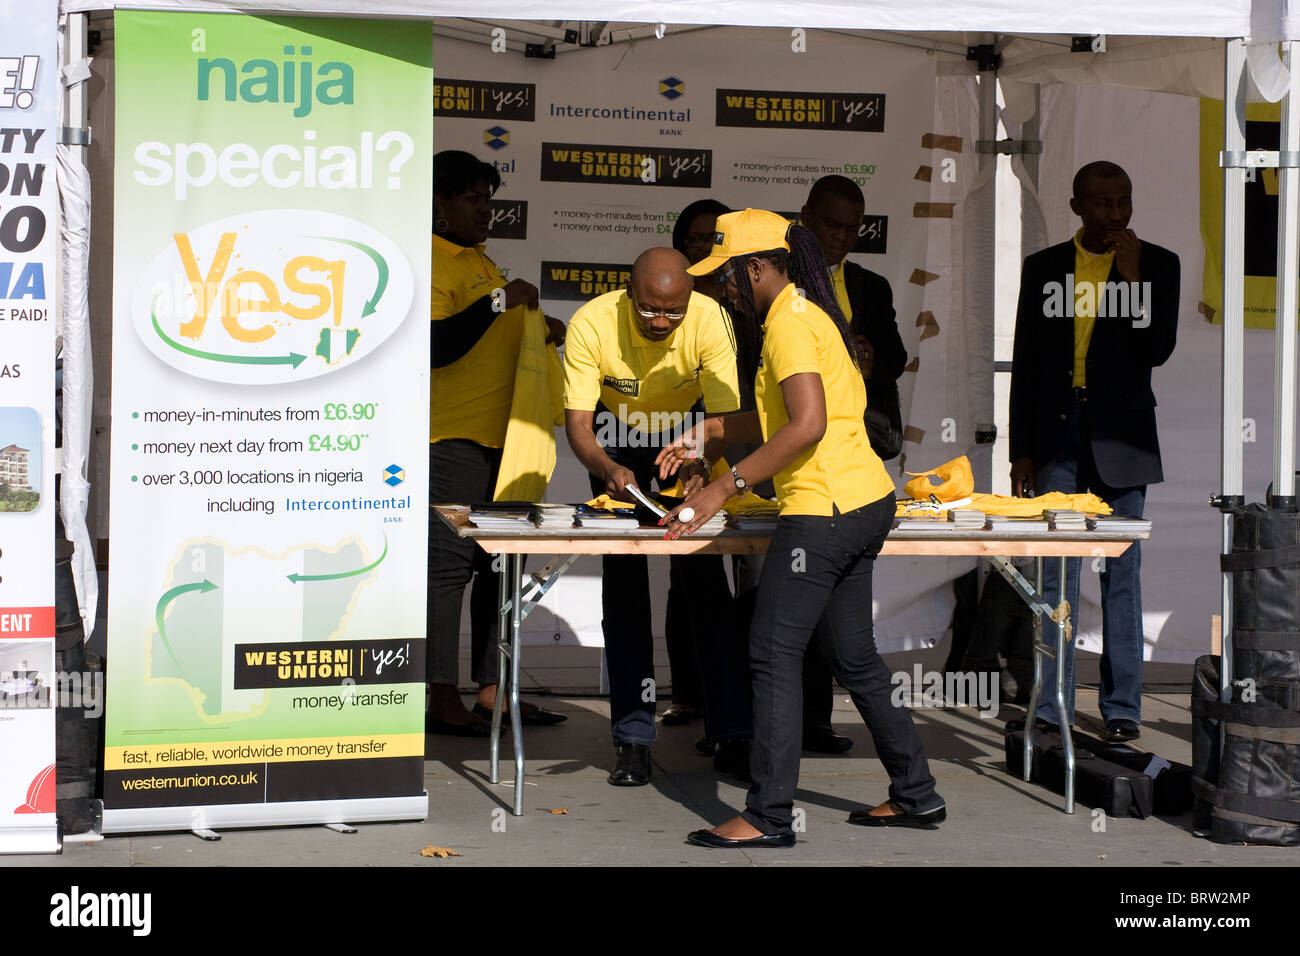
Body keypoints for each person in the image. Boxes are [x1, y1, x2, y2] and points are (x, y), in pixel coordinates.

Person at [657, 209, 945, 847]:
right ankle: (917, 795)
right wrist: (704, 433)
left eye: (725, 276)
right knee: (851, 654)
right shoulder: (806, 315)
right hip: (865, 501)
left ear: (755, 268)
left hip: (826, 511)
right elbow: (778, 422)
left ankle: (767, 816)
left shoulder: (788, 323)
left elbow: (806, 425)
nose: (718, 288)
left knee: (771, 653)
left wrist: (722, 490)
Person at [1009, 161, 1179, 743]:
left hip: (1122, 440)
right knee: (1056, 572)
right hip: (1059, 433)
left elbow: (1156, 350)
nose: (1114, 216)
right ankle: (1053, 704)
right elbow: (1026, 362)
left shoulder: (1159, 265)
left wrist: (1132, 280)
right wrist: (1022, 451)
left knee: (1122, 573)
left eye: (1123, 203)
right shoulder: (1045, 268)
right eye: (1102, 204)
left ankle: (1123, 708)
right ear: (1077, 204)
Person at [563, 247, 743, 786]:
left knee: (706, 586)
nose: (662, 322)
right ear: (627, 293)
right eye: (649, 311)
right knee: (624, 595)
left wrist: (699, 463)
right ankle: (633, 741)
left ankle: (732, 732)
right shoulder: (592, 322)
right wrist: (606, 467)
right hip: (614, 443)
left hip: (685, 439)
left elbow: (723, 416)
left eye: (673, 313)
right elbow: (577, 423)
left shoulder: (712, 319)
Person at [427, 150, 567, 736]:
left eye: (489, 199)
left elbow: (493, 329)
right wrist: (498, 304)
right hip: (451, 437)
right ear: (436, 204)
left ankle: (492, 690)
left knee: (502, 565)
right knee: (449, 570)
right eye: (472, 199)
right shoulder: (431, 259)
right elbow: (434, 345)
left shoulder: (481, 261)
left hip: (508, 441)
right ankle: (437, 697)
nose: (486, 210)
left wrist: (536, 329)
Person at [795, 174, 911, 754]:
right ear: (805, 218)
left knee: (837, 611)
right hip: (796, 457)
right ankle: (781, 723)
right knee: (791, 603)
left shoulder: (872, 285)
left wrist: (870, 358)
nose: (841, 238)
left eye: (852, 228)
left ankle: (815, 720)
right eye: (830, 225)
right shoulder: (782, 282)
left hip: (859, 458)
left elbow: (896, 355)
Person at [658, 199, 731, 730]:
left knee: (754, 577)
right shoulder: (661, 307)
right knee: (691, 572)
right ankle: (691, 694)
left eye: (714, 239)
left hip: (745, 443)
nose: (703, 248)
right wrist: (693, 454)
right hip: (685, 445)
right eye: (695, 238)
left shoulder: (745, 303)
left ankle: (739, 703)